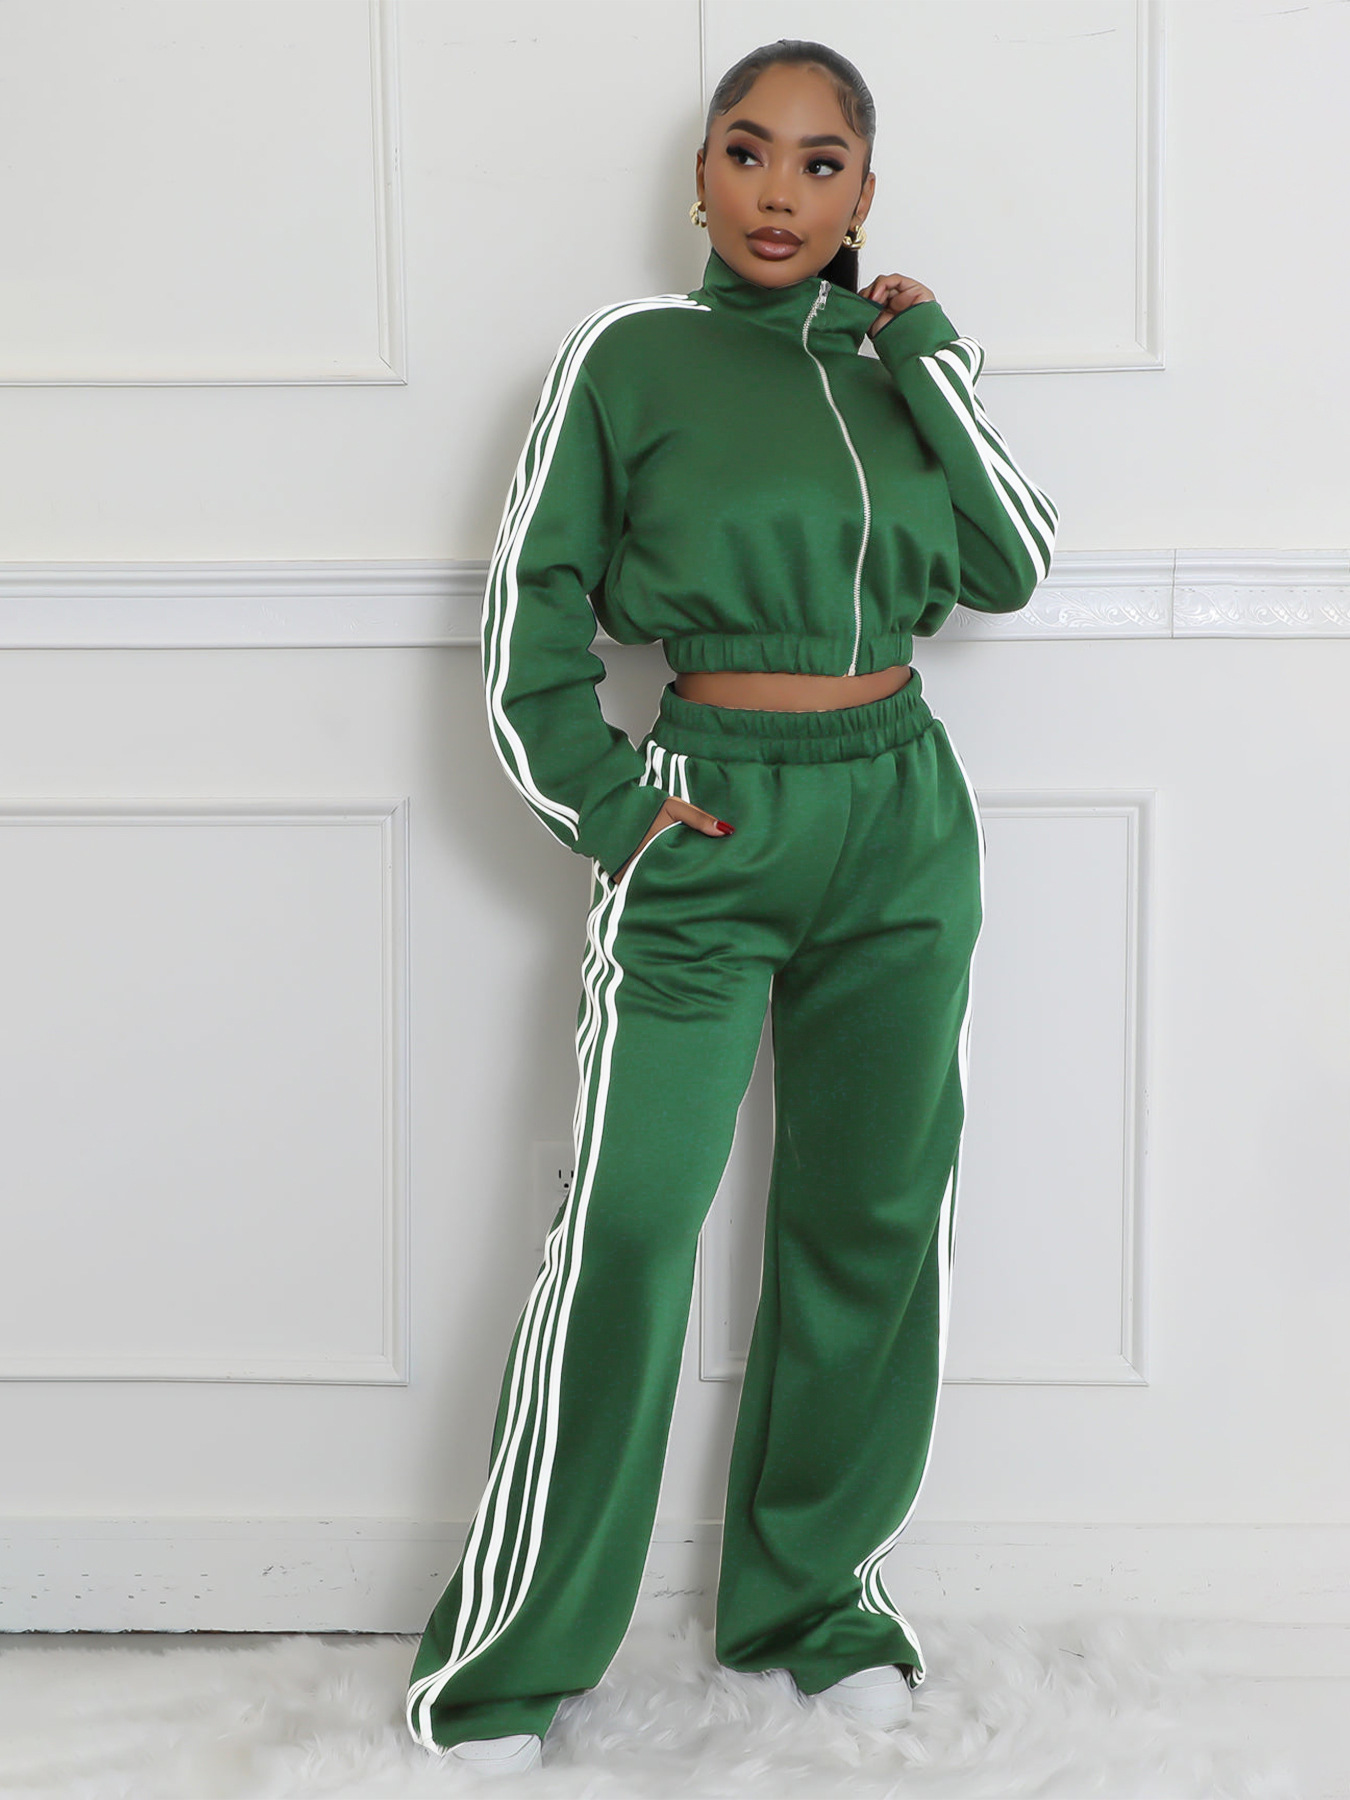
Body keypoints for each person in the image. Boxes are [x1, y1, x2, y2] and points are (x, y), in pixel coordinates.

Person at [405, 37, 1058, 1775]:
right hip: (709, 819)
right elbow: (530, 608)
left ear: (864, 195)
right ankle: (507, 1660)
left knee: (869, 1216)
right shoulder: (626, 358)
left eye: (820, 163)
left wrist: (926, 353)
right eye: (747, 152)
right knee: (628, 1227)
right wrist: (614, 808)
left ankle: (810, 1604)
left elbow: (1008, 561)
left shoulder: (891, 365)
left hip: (899, 814)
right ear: (698, 176)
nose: (780, 192)